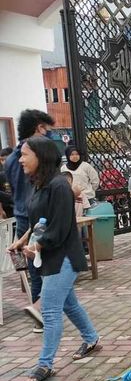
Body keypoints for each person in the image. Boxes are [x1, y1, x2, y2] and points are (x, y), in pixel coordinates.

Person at [7, 136, 100, 381]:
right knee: (69, 304)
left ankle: (45, 364)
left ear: (41, 156)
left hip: (65, 256)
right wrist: (22, 240)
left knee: (49, 309)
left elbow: (59, 228)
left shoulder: (59, 186)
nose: (21, 159)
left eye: (25, 154)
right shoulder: (40, 185)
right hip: (50, 257)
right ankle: (91, 338)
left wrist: (37, 245)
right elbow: (40, 222)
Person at [4, 109, 54, 331]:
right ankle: (42, 311)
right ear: (38, 128)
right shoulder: (36, 157)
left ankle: (42, 310)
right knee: (52, 267)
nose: (49, 135)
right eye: (47, 130)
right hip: (38, 219)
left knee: (38, 269)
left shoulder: (11, 159)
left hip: (23, 218)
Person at [0, 147, 14, 219]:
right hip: (8, 210)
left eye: (6, 159)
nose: (4, 162)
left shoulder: (18, 174)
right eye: (2, 160)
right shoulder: (1, 176)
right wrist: (1, 212)